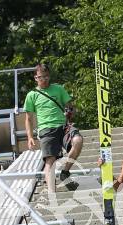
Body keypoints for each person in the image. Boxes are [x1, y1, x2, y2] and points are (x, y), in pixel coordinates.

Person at [24, 63, 83, 192]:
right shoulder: (31, 95)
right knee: (50, 160)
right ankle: (52, 194)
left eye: (46, 77)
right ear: (35, 78)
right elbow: (28, 119)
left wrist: (71, 111)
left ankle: (65, 171)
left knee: (78, 141)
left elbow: (71, 106)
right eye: (40, 77)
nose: (43, 80)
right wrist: (30, 137)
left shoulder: (58, 89)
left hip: (63, 126)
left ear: (49, 76)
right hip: (46, 129)